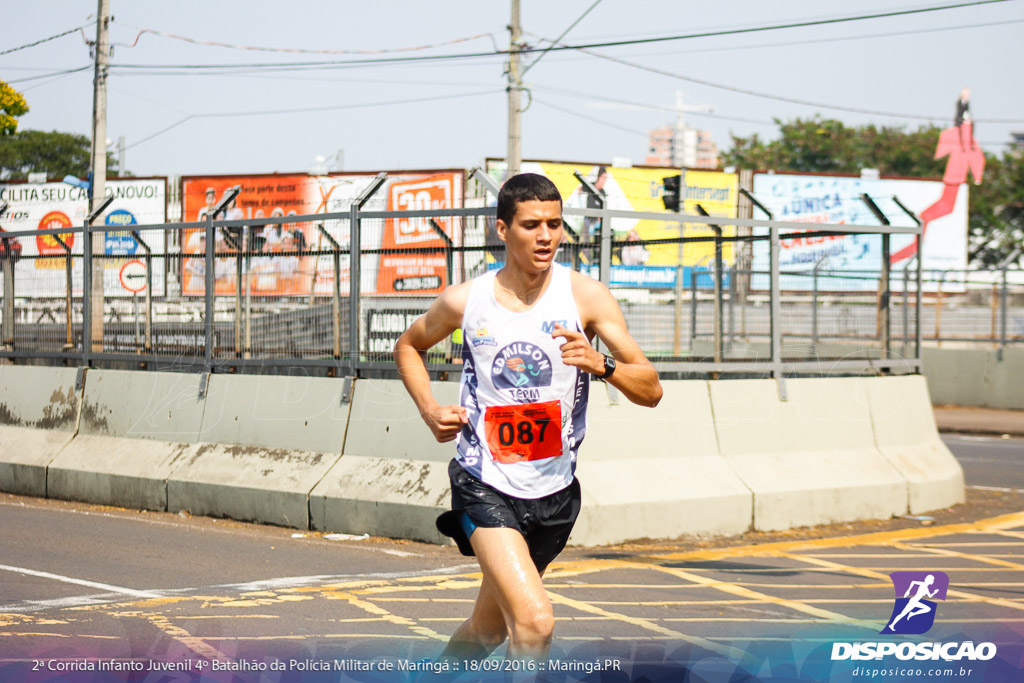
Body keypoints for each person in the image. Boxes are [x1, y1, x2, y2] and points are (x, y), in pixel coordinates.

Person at [393, 173, 662, 661]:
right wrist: (430, 409)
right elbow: (409, 346)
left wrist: (602, 364)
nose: (546, 236)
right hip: (484, 483)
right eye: (532, 224)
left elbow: (651, 389)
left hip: (553, 494)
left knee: (488, 629)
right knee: (535, 623)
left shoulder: (585, 296)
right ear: (503, 228)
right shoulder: (465, 301)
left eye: (555, 225)